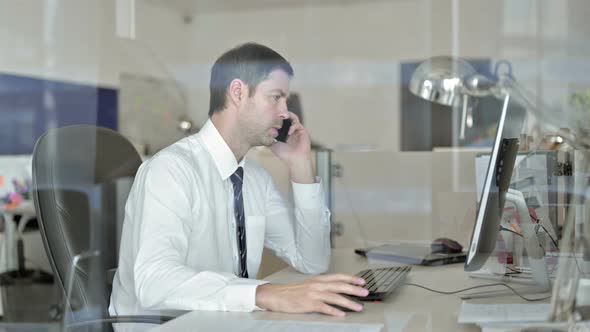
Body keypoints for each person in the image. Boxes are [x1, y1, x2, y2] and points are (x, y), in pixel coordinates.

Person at [109, 42, 368, 319]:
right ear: (238, 92)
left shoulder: (255, 179)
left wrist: (301, 166)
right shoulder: (171, 170)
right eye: (275, 97)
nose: (285, 112)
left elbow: (313, 261)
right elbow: (154, 282)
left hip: (226, 321)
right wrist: (264, 293)